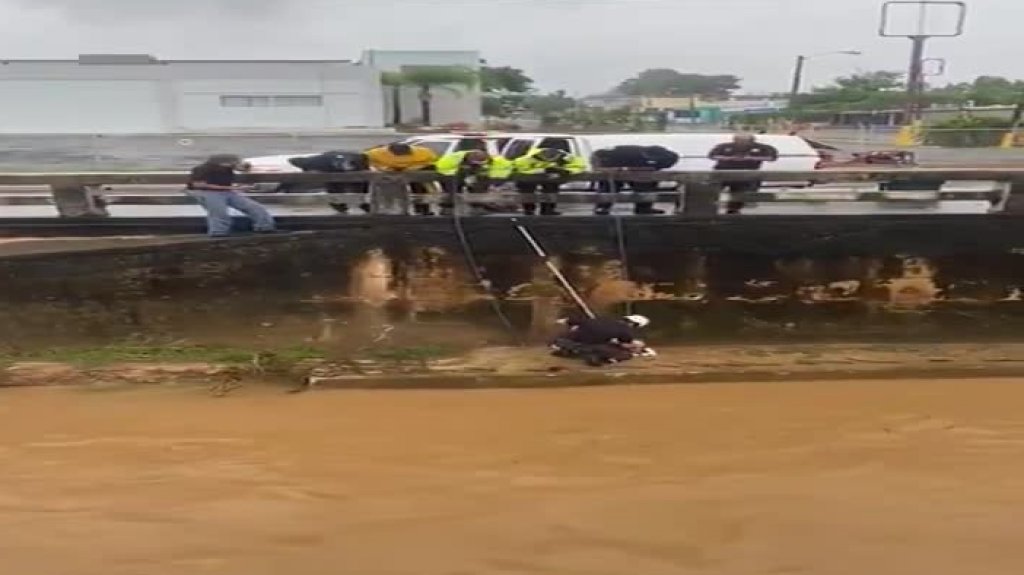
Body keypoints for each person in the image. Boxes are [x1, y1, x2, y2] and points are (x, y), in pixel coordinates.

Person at [186, 154, 276, 237]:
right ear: (223, 162)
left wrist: (246, 166)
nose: (235, 163)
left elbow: (242, 169)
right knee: (219, 212)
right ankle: (218, 233)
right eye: (233, 161)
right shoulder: (201, 169)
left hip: (227, 191)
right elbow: (198, 185)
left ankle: (264, 227)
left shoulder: (228, 168)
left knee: (254, 207)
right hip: (206, 192)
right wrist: (230, 187)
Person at [591, 145, 678, 215]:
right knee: (610, 185)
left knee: (648, 183)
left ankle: (644, 208)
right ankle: (602, 207)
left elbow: (649, 168)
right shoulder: (626, 151)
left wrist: (650, 170)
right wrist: (600, 168)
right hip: (613, 167)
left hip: (632, 169)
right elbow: (596, 156)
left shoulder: (663, 156)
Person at [708, 134, 779, 215]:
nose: (741, 143)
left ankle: (733, 211)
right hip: (723, 172)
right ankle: (710, 210)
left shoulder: (762, 147)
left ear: (752, 141)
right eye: (738, 140)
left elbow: (772, 157)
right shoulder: (723, 146)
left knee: (740, 193)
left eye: (744, 141)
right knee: (712, 191)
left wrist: (751, 158)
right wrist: (729, 158)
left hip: (746, 174)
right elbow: (712, 156)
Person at [365, 143, 439, 215]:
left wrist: (413, 168)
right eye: (399, 155)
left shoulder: (423, 153)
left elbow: (430, 163)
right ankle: (377, 208)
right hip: (388, 172)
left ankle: (422, 209)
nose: (401, 159)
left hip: (414, 171)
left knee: (419, 185)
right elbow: (368, 162)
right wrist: (382, 168)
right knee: (386, 187)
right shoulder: (375, 153)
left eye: (404, 155)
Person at [550, 314, 652, 367]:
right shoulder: (625, 331)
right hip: (594, 346)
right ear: (635, 325)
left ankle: (567, 350)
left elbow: (570, 320)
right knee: (625, 354)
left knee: (574, 343)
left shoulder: (602, 319)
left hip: (569, 342)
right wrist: (640, 347)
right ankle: (598, 358)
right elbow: (625, 344)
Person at [288, 150, 371, 214]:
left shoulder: (358, 160)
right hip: (336, 167)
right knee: (335, 183)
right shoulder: (320, 161)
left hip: (349, 166)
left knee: (359, 184)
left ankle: (361, 204)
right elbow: (293, 160)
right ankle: (343, 205)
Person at [434, 149, 513, 215]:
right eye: (475, 164)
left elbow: (503, 167)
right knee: (452, 191)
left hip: (474, 178)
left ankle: (477, 208)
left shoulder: (495, 161)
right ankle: (448, 209)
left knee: (479, 186)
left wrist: (490, 176)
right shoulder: (452, 159)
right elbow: (443, 169)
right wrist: (460, 175)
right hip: (453, 175)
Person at [512, 147, 586, 216]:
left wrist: (567, 171)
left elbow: (580, 166)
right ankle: (529, 209)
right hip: (530, 178)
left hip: (550, 178)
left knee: (551, 188)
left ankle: (548, 209)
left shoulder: (567, 158)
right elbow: (520, 171)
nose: (549, 160)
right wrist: (542, 170)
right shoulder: (527, 159)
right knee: (526, 188)